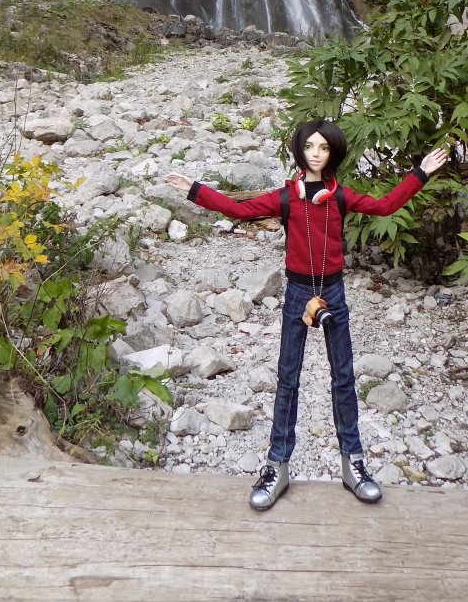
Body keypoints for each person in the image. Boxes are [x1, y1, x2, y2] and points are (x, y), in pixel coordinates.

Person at [164, 119, 448, 511]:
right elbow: (236, 209)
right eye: (310, 147)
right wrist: (195, 189)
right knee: (287, 379)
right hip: (299, 292)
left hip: (333, 291)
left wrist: (420, 173)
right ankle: (277, 465)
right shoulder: (286, 198)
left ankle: (354, 464)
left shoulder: (341, 197)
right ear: (300, 151)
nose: (316, 153)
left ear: (333, 154)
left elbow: (385, 206)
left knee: (344, 378)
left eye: (324, 148)